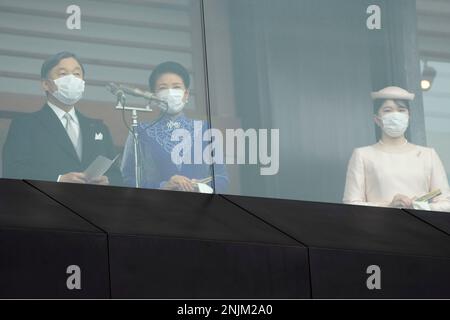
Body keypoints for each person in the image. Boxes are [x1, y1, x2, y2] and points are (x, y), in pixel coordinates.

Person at [2, 51, 122, 185]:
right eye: (63, 74)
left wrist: (108, 181)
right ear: (45, 84)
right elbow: (13, 171)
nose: (72, 79)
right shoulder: (25, 125)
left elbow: (117, 176)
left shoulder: (99, 128)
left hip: (91, 202)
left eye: (77, 74)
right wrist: (58, 179)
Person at [121, 61, 229, 192]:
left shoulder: (206, 129)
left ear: (186, 94)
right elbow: (127, 178)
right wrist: (163, 186)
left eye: (176, 87)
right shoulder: (140, 131)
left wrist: (198, 186)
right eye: (162, 88)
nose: (170, 93)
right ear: (153, 96)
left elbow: (221, 178)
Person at [343, 86, 450, 212]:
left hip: (421, 228)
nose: (395, 115)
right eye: (388, 110)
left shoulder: (428, 155)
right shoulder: (363, 155)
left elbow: (446, 203)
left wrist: (418, 206)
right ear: (377, 119)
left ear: (408, 117)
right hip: (380, 228)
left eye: (401, 110)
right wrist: (389, 207)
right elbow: (351, 204)